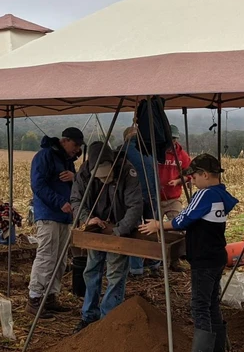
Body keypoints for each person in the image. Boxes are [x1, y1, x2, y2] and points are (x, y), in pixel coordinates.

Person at [139, 153, 238, 352]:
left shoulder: (204, 194)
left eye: (194, 176)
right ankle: (217, 348)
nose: (191, 180)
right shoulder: (222, 194)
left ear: (205, 175)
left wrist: (158, 225)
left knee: (200, 305)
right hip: (217, 255)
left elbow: (182, 220)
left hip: (203, 258)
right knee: (211, 301)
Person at [71, 141, 143, 332]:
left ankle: (108, 319)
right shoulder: (84, 174)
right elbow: (77, 200)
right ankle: (89, 315)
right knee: (91, 269)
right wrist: (88, 219)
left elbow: (135, 205)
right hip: (97, 228)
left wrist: (120, 231)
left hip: (120, 228)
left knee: (115, 273)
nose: (105, 181)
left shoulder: (127, 171)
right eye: (100, 178)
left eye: (108, 177)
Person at [26, 127, 84, 317]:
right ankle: (34, 297)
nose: (77, 150)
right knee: (47, 256)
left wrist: (73, 179)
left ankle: (50, 296)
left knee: (59, 259)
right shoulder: (44, 157)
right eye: (75, 145)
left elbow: (78, 185)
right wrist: (59, 202)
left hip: (64, 216)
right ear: (65, 140)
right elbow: (38, 185)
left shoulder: (67, 161)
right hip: (49, 214)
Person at [121, 126, 160, 278]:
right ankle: (155, 264)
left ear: (126, 138)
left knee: (135, 230)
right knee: (152, 228)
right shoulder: (150, 150)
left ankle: (136, 269)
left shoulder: (124, 151)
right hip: (153, 194)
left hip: (133, 197)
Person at [158, 124, 191, 272]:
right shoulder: (156, 151)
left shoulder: (182, 156)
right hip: (156, 198)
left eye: (174, 139)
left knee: (178, 226)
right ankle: (156, 259)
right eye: (169, 138)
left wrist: (178, 181)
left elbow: (190, 174)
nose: (172, 142)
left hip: (173, 198)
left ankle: (175, 259)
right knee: (154, 228)